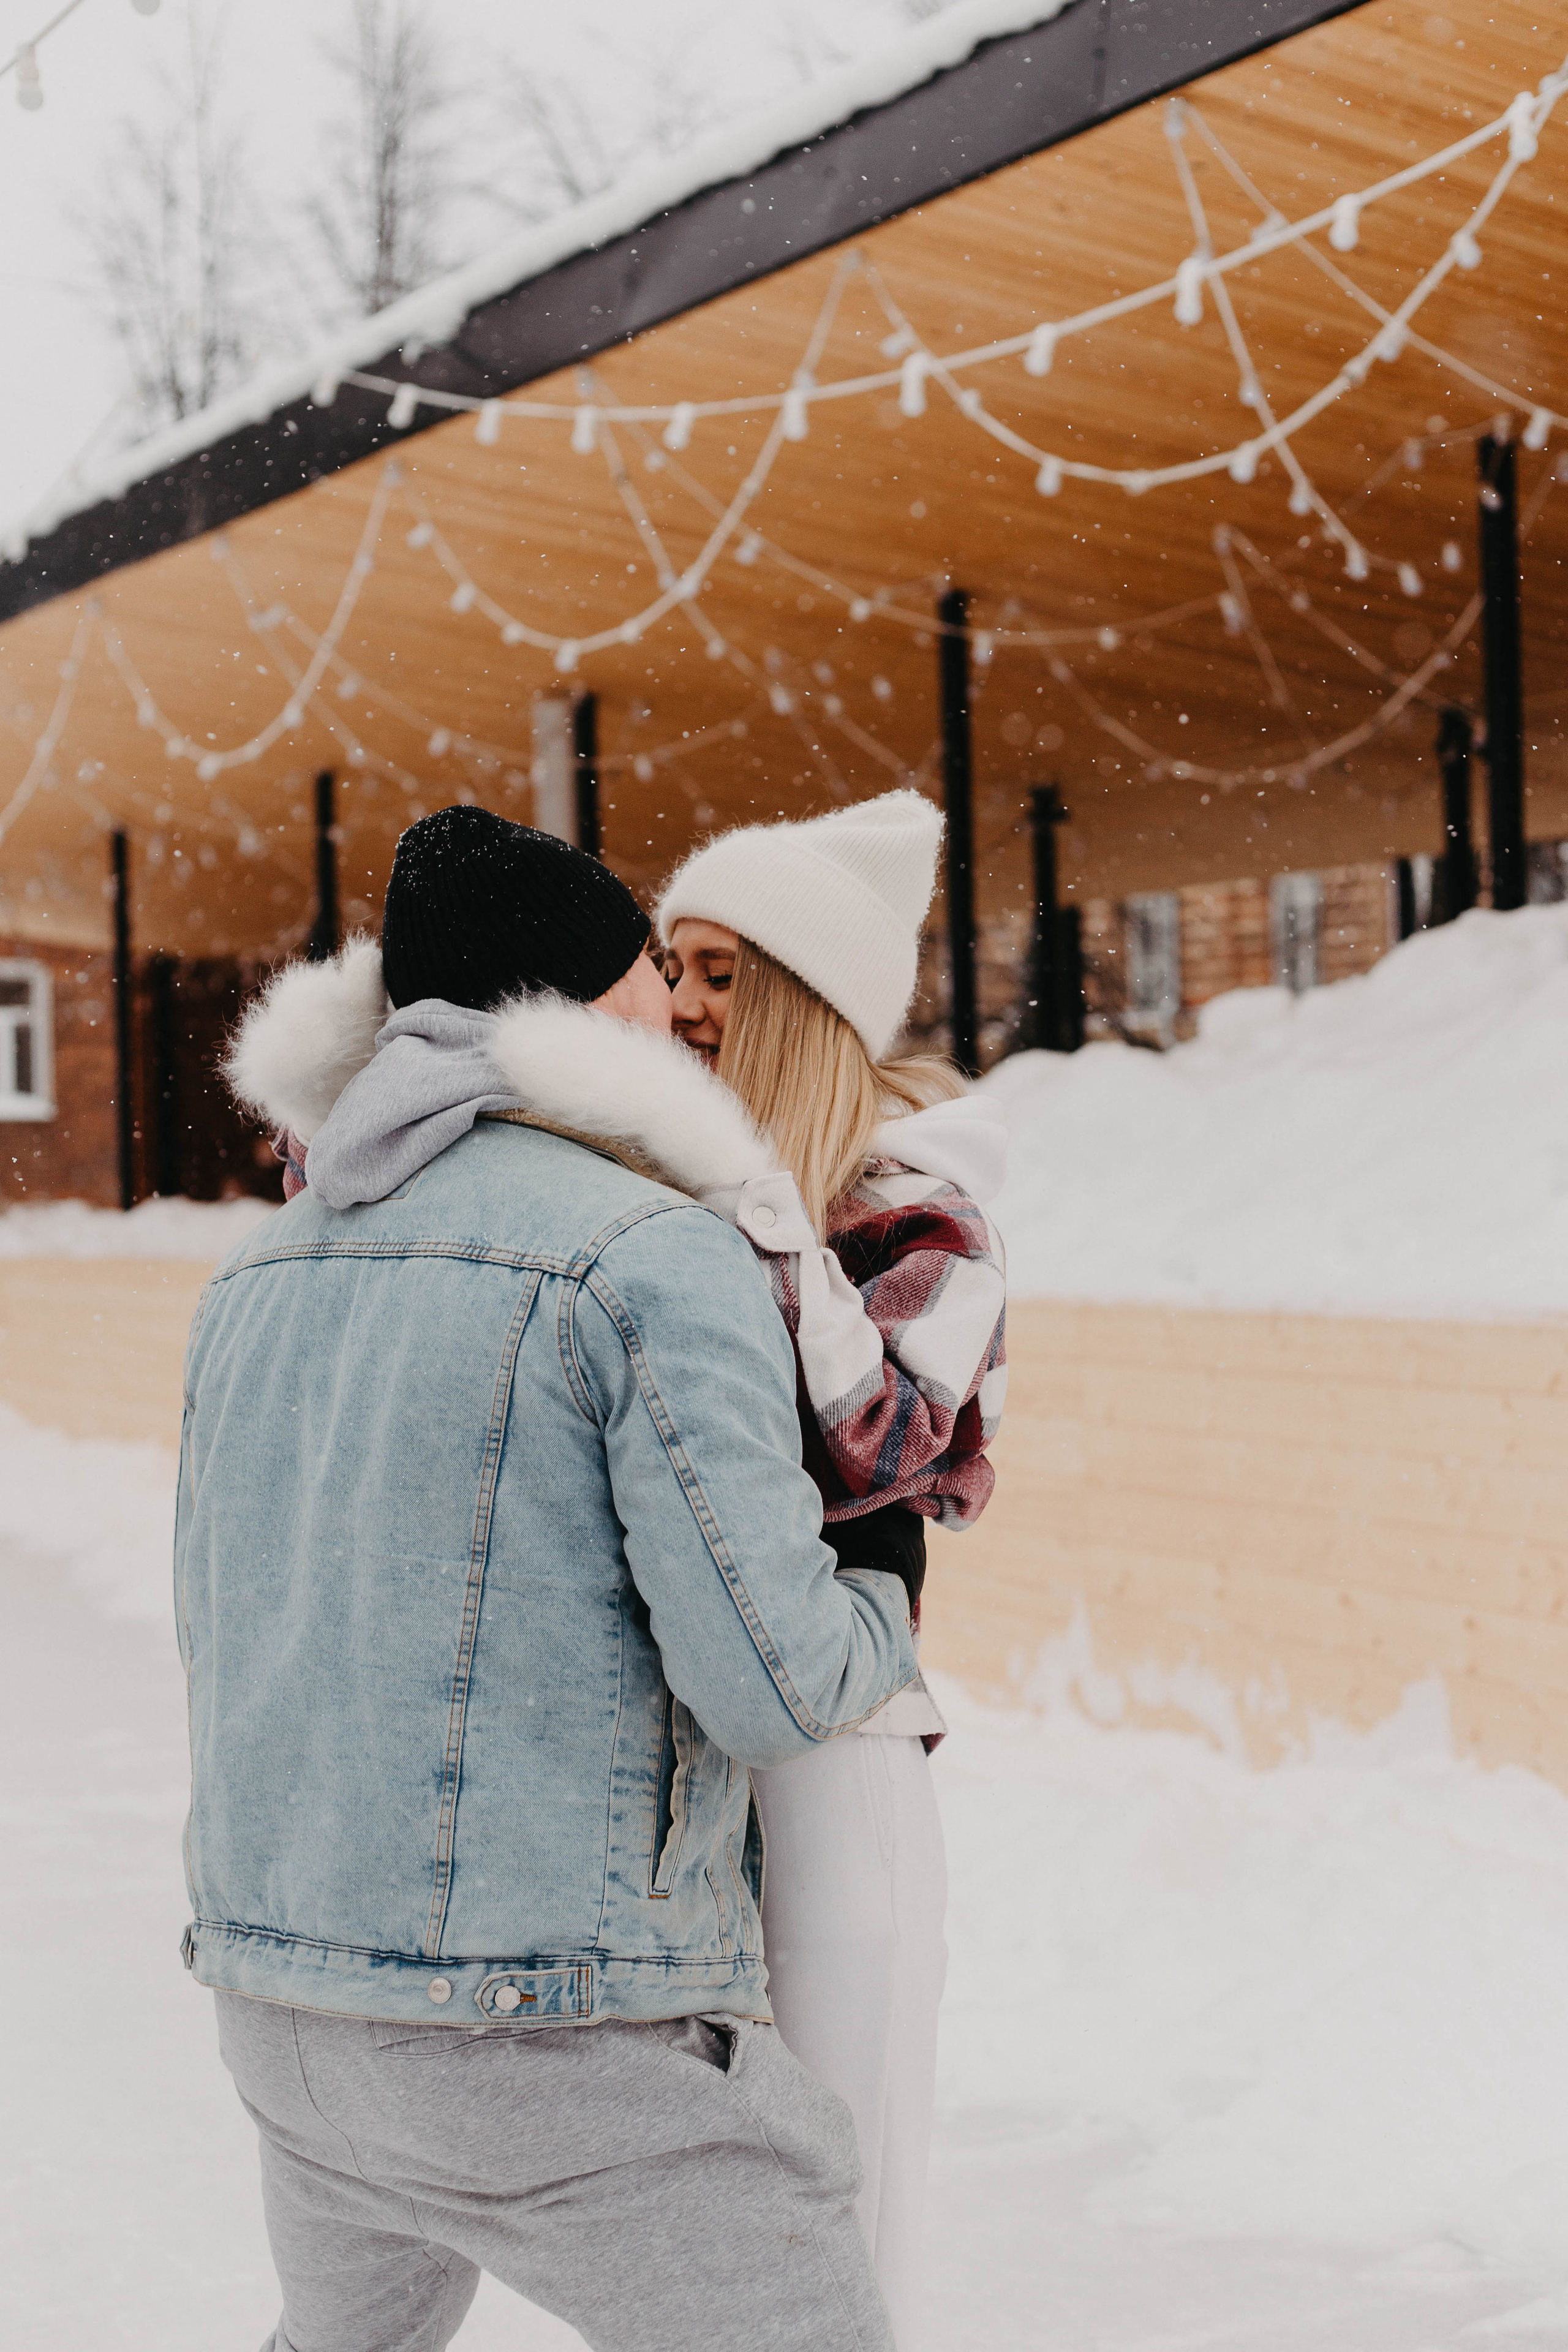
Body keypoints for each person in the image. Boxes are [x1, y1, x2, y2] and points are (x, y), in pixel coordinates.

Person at [202, 804, 920, 2352]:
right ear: (595, 1011)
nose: (683, 1017)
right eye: (660, 983)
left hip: (285, 2020)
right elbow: (773, 1678)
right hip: (548, 2035)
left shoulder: (251, 1281)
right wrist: (880, 1571)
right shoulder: (649, 1256)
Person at [657, 789, 1009, 2351]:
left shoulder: (908, 1216)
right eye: (672, 967)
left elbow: (893, 1452)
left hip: (836, 1754)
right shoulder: (654, 1187)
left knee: (845, 2185)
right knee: (683, 2204)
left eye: (723, 974)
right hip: (669, 1757)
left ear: (806, 1001)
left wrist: (779, 1244)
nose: (679, 1005)